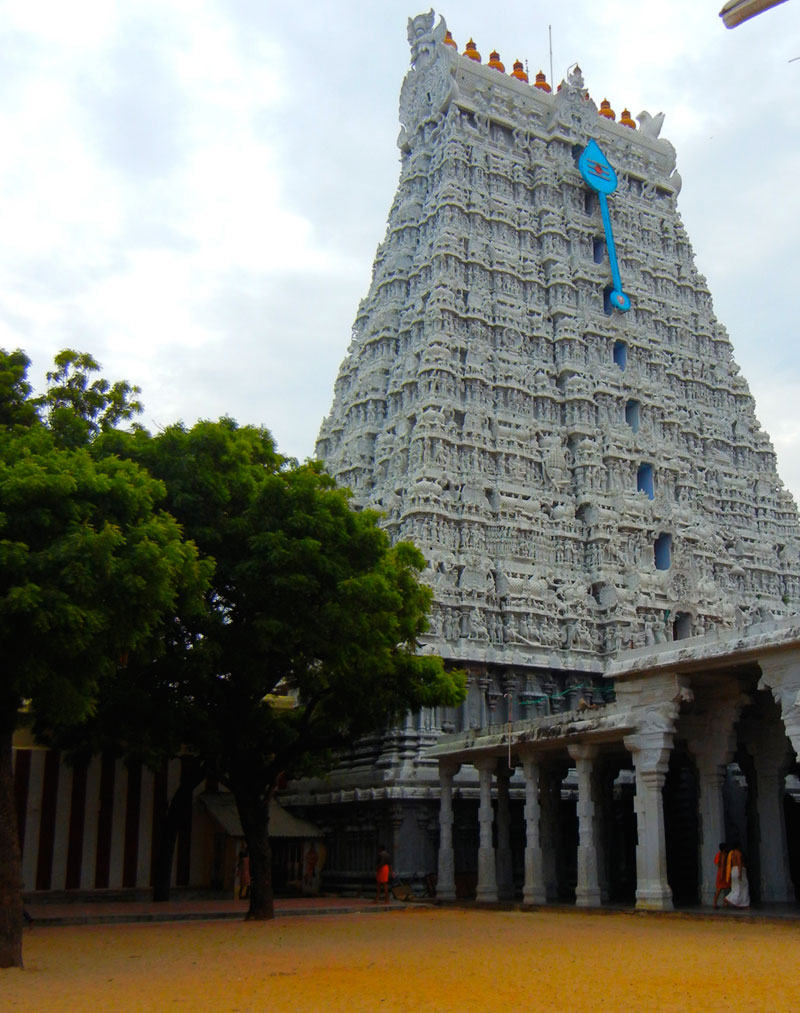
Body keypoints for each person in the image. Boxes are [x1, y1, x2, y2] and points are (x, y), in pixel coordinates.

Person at [724, 842, 750, 908]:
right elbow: (739, 863)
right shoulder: (738, 853)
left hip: (733, 870)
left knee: (736, 887)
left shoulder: (731, 854)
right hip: (738, 870)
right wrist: (740, 873)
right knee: (744, 886)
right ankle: (730, 899)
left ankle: (742, 903)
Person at [713, 842, 730, 908]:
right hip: (723, 874)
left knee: (718, 889)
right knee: (729, 888)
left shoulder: (718, 855)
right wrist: (722, 875)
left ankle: (715, 903)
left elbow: (716, 863)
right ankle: (725, 902)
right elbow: (722, 865)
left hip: (719, 872)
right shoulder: (723, 855)